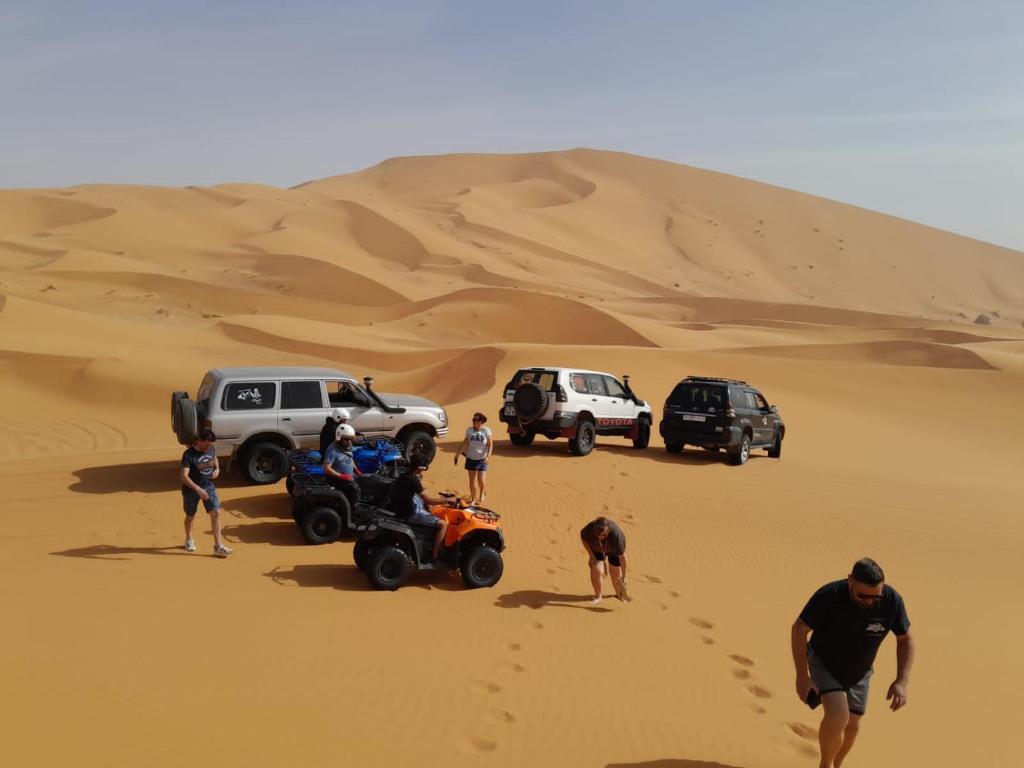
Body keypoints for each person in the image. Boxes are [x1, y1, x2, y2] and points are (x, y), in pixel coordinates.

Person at [791, 558, 915, 768]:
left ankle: (837, 765)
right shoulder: (828, 596)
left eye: (876, 596)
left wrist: (902, 681)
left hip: (860, 670)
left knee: (853, 724)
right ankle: (826, 765)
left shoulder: (891, 600)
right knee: (839, 715)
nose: (869, 601)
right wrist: (802, 677)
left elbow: (906, 639)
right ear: (850, 581)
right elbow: (799, 629)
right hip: (824, 662)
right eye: (863, 595)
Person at [180, 428, 233, 557]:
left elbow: (214, 458)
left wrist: (217, 469)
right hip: (191, 490)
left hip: (208, 486)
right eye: (207, 443)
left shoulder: (210, 449)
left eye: (211, 444)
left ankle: (218, 546)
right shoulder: (188, 455)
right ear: (199, 441)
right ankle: (189, 539)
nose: (209, 446)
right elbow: (184, 477)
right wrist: (197, 489)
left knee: (216, 513)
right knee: (190, 515)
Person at [388, 457, 448, 561]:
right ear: (420, 468)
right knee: (443, 524)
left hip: (398, 510)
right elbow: (428, 500)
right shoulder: (413, 480)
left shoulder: (402, 476)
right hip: (410, 513)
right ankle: (435, 556)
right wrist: (447, 500)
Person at [579, 517, 629, 603]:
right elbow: (584, 539)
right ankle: (598, 597)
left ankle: (619, 595)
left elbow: (623, 557)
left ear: (607, 532)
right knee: (596, 569)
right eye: (597, 535)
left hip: (613, 550)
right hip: (597, 548)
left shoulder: (616, 536)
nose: (600, 537)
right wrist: (591, 555)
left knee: (616, 575)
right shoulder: (589, 530)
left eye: (603, 535)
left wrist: (624, 576)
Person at [455, 411, 492, 503]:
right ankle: (473, 498)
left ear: (481, 421)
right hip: (471, 458)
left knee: (481, 480)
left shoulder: (486, 431)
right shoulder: (469, 430)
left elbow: (490, 444)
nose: (474, 421)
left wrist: (488, 456)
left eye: (477, 420)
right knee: (472, 480)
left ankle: (482, 493)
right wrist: (457, 454)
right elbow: (464, 442)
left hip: (482, 459)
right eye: (473, 419)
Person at [322, 424, 361, 511]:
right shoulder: (332, 450)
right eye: (346, 439)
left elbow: (350, 458)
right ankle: (353, 511)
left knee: (367, 481)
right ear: (339, 437)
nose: (349, 442)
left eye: (351, 439)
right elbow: (326, 468)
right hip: (337, 479)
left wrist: (356, 469)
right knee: (354, 489)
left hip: (348, 477)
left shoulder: (347, 446)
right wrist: (341, 476)